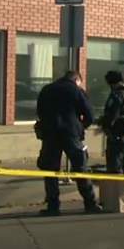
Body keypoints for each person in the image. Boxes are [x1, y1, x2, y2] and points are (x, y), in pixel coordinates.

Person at [35, 71, 101, 215]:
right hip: (71, 134)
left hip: (50, 134)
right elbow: (90, 114)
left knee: (51, 170)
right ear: (77, 80)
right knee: (80, 168)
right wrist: (81, 126)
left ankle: (53, 206)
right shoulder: (77, 91)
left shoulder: (47, 89)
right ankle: (90, 203)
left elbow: (39, 111)